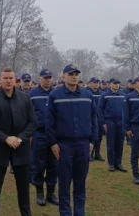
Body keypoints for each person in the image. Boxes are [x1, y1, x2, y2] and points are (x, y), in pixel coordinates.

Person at [0, 67, 36, 216]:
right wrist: (6, 138)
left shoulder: (25, 98)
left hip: (21, 147)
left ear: (15, 80)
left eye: (10, 78)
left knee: (23, 188)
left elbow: (32, 122)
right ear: (0, 79)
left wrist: (19, 138)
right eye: (5, 78)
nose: (8, 81)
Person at [46, 64, 97, 216]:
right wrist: (53, 143)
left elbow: (94, 119)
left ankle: (79, 212)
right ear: (64, 77)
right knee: (64, 183)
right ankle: (65, 212)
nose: (74, 76)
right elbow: (50, 122)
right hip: (64, 145)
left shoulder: (87, 96)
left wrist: (93, 141)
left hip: (83, 144)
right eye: (70, 74)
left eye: (76, 74)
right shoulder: (55, 96)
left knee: (80, 183)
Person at [28, 69, 58, 206]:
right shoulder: (32, 94)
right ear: (39, 78)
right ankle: (39, 192)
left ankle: (51, 193)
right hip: (38, 134)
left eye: (49, 77)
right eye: (45, 77)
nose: (48, 80)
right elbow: (27, 116)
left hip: (54, 134)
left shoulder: (57, 93)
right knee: (38, 164)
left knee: (53, 164)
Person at [98, 78, 127, 172]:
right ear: (110, 84)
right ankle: (111, 163)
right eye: (115, 83)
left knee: (120, 142)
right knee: (111, 143)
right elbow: (100, 110)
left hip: (120, 121)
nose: (117, 85)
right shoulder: (105, 95)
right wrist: (103, 122)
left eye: (118, 83)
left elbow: (126, 109)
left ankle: (118, 163)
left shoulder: (123, 95)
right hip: (110, 121)